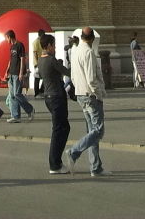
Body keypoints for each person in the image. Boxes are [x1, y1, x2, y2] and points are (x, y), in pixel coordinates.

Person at [64, 26, 106, 177]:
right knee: (98, 130)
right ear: (92, 38)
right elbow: (91, 78)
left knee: (92, 130)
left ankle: (95, 166)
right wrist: (98, 93)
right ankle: (74, 151)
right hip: (90, 95)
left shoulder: (75, 51)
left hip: (80, 93)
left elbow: (73, 76)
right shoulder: (88, 52)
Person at [37, 34, 71, 175]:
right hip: (57, 96)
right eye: (54, 45)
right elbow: (67, 72)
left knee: (63, 128)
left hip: (49, 97)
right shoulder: (51, 60)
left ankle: (57, 161)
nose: (55, 47)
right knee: (59, 130)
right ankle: (55, 164)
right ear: (49, 46)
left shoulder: (40, 60)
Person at [4, 29, 35, 122]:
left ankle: (30, 109)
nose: (6, 40)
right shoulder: (12, 47)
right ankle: (16, 116)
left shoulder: (19, 45)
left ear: (9, 37)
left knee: (17, 94)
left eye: (6, 38)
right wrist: (7, 71)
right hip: (11, 74)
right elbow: (11, 60)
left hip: (18, 74)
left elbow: (22, 59)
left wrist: (21, 72)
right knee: (13, 95)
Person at [32, 30, 47, 96]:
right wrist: (37, 63)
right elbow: (35, 53)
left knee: (45, 76)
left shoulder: (42, 41)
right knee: (37, 77)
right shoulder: (36, 42)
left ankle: (41, 90)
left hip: (43, 61)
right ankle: (36, 92)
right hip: (38, 62)